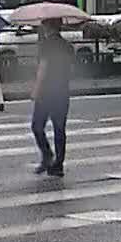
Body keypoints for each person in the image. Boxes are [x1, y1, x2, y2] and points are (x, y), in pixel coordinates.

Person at [31, 29, 73, 176]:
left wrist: (36, 89)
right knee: (59, 129)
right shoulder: (67, 46)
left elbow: (43, 67)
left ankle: (47, 155)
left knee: (37, 126)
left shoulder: (46, 45)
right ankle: (59, 164)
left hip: (46, 92)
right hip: (62, 92)